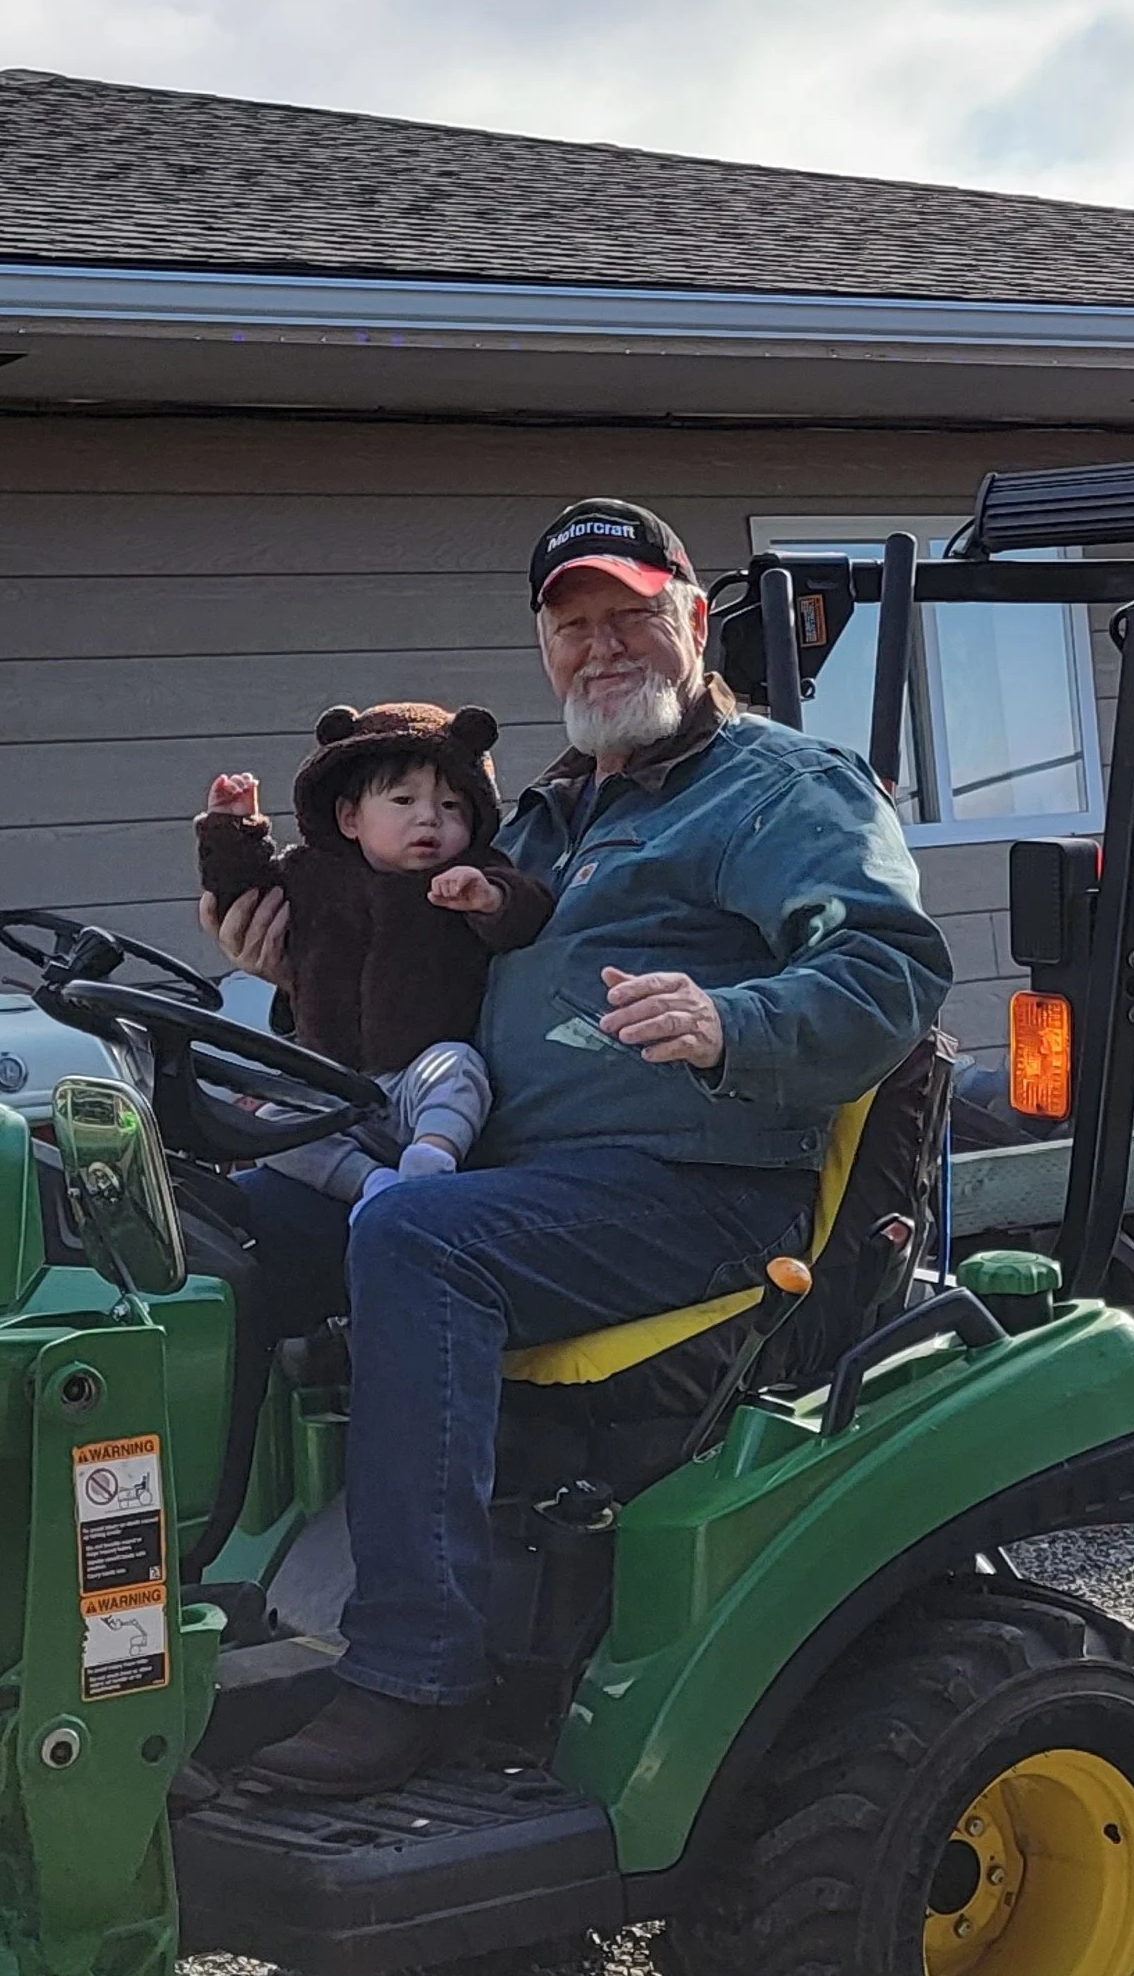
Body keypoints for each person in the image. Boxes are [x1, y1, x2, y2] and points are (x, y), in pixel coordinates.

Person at [223, 500, 953, 1795]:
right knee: (209, 1223)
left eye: (629, 615)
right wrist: (296, 977)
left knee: (412, 1234)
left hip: (700, 1191)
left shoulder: (781, 786)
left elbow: (890, 967)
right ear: (545, 649)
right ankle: (193, 1631)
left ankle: (411, 1676)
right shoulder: (546, 823)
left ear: (689, 617)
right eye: (574, 626)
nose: (602, 646)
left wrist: (735, 1019)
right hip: (530, 1188)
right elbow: (417, 1003)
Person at [194, 703, 548, 1199]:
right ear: (349, 817)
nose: (428, 817)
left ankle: (433, 1156)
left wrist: (488, 899)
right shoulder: (311, 875)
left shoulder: (473, 873)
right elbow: (244, 891)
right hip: (332, 1080)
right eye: (403, 800)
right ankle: (371, 1184)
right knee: (272, 1125)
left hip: (417, 1076)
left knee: (459, 1068)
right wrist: (232, 830)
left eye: (451, 807)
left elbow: (529, 912)